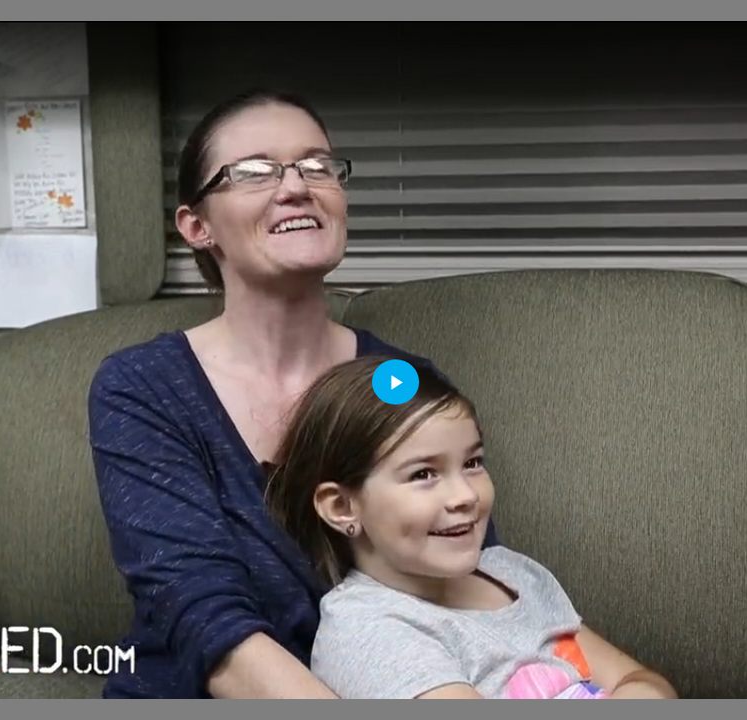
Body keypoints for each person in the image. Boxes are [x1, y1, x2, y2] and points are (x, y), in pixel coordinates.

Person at [87, 88, 499, 700]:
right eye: (255, 171)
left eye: (317, 165)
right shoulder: (143, 386)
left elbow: (469, 575)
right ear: (197, 226)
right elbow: (203, 618)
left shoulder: (401, 381)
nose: (297, 186)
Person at [263, 355, 678, 700]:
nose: (464, 495)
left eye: (472, 463)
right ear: (341, 507)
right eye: (423, 474)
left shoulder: (512, 572)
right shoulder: (367, 629)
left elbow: (640, 680)